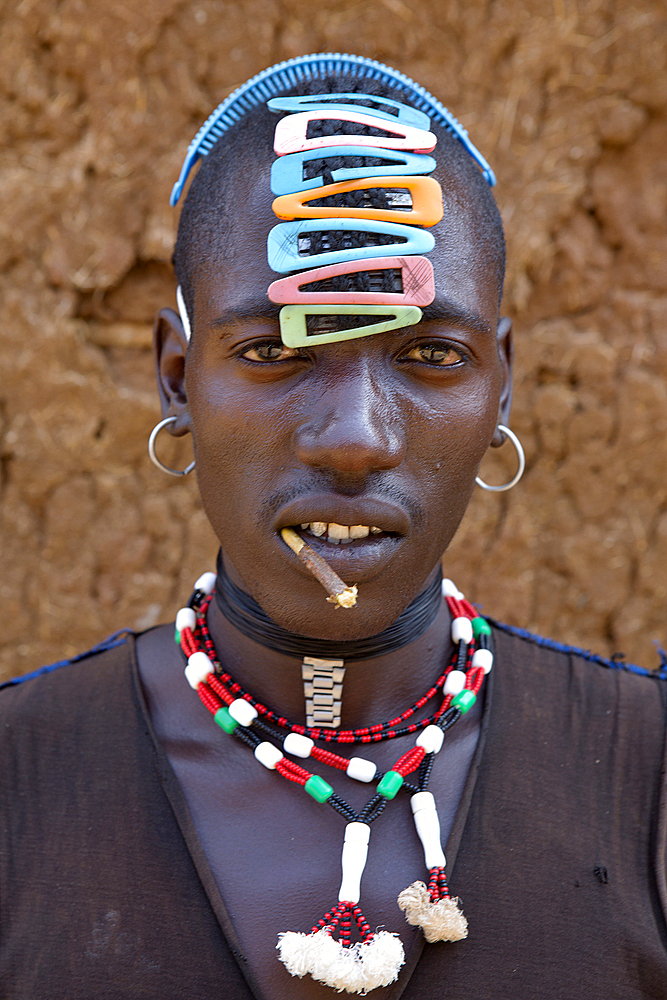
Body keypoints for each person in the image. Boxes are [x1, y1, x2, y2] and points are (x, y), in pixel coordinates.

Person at [1, 53, 666, 1000]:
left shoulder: (646, 786)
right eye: (272, 349)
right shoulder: (20, 787)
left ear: (501, 385)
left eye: (431, 354)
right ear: (179, 378)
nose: (353, 438)